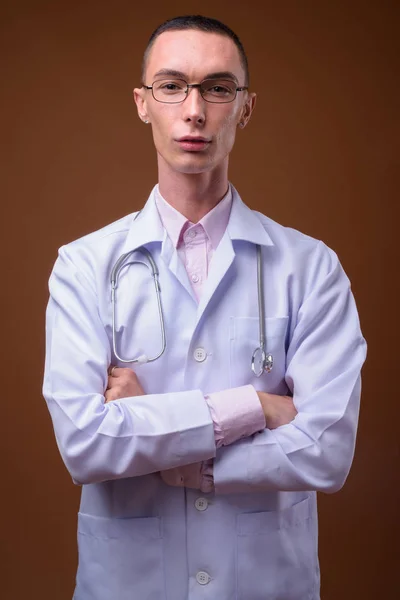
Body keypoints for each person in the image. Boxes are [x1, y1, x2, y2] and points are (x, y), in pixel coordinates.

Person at [43, 14, 367, 600]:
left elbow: (326, 450)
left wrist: (176, 454)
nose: (194, 110)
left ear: (245, 107)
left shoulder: (311, 267)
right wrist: (259, 406)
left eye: (218, 88)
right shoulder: (84, 266)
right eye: (172, 86)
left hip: (268, 583)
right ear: (143, 103)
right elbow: (85, 444)